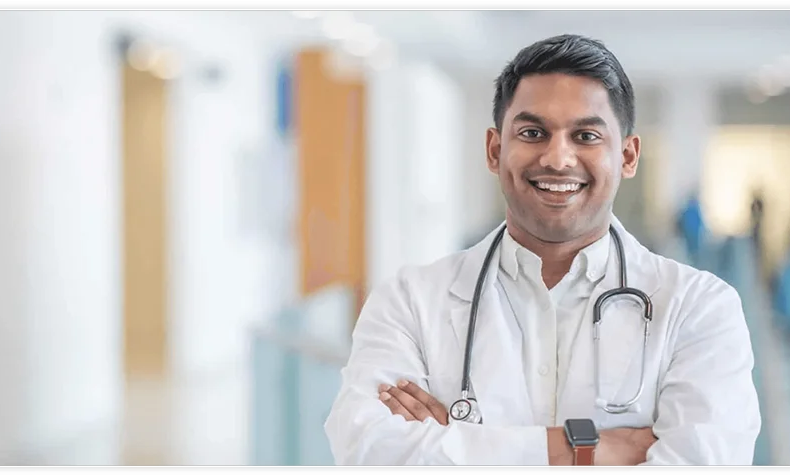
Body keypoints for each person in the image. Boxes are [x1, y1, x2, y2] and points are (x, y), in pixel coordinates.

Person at [323, 34, 761, 470]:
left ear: (627, 156)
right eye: (533, 133)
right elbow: (366, 452)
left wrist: (453, 445)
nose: (557, 158)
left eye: (586, 135)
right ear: (496, 150)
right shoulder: (409, 301)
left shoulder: (700, 308)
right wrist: (587, 453)